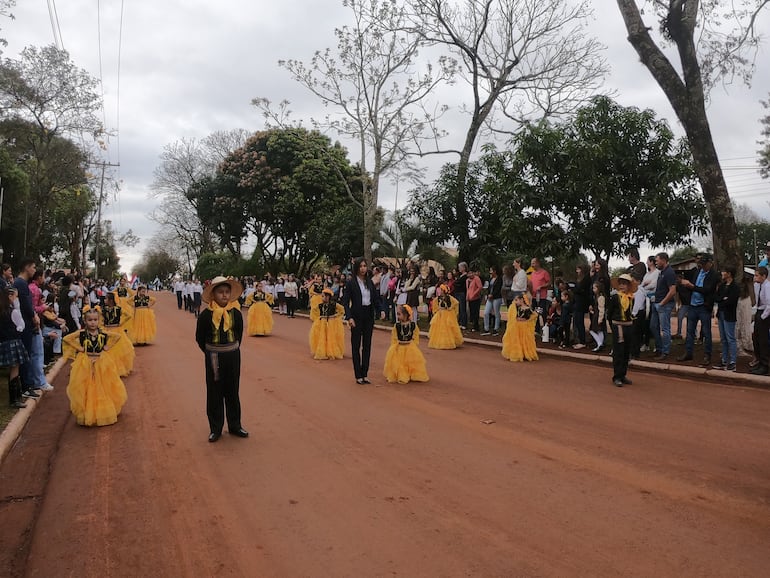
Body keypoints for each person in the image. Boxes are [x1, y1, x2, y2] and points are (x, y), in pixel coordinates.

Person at [195, 276, 248, 442]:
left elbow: (239, 335)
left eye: (227, 292)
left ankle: (235, 425)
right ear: (213, 295)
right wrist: (212, 351)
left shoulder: (236, 314)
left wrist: (231, 348)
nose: (224, 295)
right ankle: (216, 428)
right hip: (213, 356)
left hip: (232, 355)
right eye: (220, 292)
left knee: (233, 391)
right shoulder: (205, 315)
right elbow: (200, 338)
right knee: (214, 392)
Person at [62, 308, 128, 426]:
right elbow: (67, 339)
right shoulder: (82, 333)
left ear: (99, 321)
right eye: (90, 320)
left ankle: (102, 411)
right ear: (85, 321)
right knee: (87, 385)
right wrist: (80, 348)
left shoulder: (102, 333)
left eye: (95, 320)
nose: (93, 322)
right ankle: (88, 412)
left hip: (101, 361)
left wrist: (107, 347)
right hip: (86, 362)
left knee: (102, 385)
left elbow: (117, 336)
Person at [342, 258, 384, 385]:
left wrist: (381, 310)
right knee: (356, 346)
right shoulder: (351, 283)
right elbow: (345, 302)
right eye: (360, 266)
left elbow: (375, 299)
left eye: (365, 266)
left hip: (368, 316)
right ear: (357, 268)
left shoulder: (370, 283)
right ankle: (358, 375)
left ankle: (365, 373)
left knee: (367, 345)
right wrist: (349, 317)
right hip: (356, 316)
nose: (363, 268)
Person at [677, 254, 718, 365]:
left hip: (704, 306)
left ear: (710, 263)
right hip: (693, 305)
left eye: (704, 264)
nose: (703, 266)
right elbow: (694, 286)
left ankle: (707, 355)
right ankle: (688, 353)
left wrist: (691, 286)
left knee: (706, 332)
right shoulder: (698, 272)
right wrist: (686, 285)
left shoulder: (714, 275)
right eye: (701, 264)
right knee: (690, 331)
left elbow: (708, 290)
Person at [383, 304, 429, 384]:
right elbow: (394, 337)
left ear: (406, 315)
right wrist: (395, 346)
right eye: (397, 314)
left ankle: (411, 374)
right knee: (401, 364)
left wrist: (413, 345)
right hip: (400, 346)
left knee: (410, 363)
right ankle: (402, 375)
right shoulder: (397, 326)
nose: (398, 316)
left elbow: (415, 335)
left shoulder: (413, 325)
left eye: (399, 314)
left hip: (409, 347)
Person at [1, 287, 30, 408]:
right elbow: (21, 326)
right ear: (10, 297)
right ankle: (15, 399)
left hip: (3, 341)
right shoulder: (13, 311)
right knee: (15, 369)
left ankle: (15, 398)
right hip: (13, 342)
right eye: (15, 296)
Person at [607, 274, 636, 387]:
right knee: (618, 351)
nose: (622, 286)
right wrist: (613, 325)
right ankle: (617, 376)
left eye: (625, 284)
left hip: (628, 325)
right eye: (621, 283)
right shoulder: (615, 297)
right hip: (618, 326)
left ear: (629, 285)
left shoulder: (631, 297)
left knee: (626, 351)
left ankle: (623, 374)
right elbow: (609, 313)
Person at [100, 292, 135, 376]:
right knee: (108, 350)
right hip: (107, 330)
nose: (104, 300)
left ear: (111, 300)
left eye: (106, 299)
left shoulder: (118, 309)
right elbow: (100, 319)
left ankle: (117, 369)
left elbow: (128, 315)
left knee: (117, 350)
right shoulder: (103, 309)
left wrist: (121, 323)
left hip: (116, 330)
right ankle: (109, 368)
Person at [651, 252, 678, 361]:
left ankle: (665, 352)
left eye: (657, 260)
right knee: (653, 326)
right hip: (657, 303)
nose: (656, 262)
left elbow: (672, 291)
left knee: (665, 329)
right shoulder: (662, 272)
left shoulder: (669, 273)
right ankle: (659, 348)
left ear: (663, 260)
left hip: (664, 304)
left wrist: (662, 302)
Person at [713, 267, 739, 371]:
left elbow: (731, 301)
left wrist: (723, 300)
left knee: (730, 338)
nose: (722, 273)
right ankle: (724, 360)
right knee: (723, 339)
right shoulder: (722, 286)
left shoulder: (735, 287)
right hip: (721, 313)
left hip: (729, 315)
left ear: (729, 274)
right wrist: (723, 299)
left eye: (724, 272)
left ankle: (732, 361)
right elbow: (717, 297)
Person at [309, 288, 346, 360]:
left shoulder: (334, 304)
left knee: (330, 336)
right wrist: (318, 317)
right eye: (322, 296)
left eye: (323, 296)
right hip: (322, 322)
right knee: (322, 336)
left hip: (331, 322)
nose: (322, 298)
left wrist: (335, 316)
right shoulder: (320, 305)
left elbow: (342, 310)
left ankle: (331, 351)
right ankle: (323, 351)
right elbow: (314, 311)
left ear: (328, 297)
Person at [501, 293, 538, 362]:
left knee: (524, 340)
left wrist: (528, 320)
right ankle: (519, 353)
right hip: (517, 327)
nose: (515, 302)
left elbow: (534, 315)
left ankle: (525, 353)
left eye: (516, 300)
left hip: (524, 327)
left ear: (521, 300)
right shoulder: (517, 308)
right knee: (518, 340)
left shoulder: (528, 309)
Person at [428, 284, 463, 350]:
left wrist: (450, 308)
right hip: (440, 315)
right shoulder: (438, 298)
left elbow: (456, 302)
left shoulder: (449, 297)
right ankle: (440, 342)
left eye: (441, 290)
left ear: (444, 290)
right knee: (440, 328)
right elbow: (434, 303)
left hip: (447, 315)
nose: (440, 291)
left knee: (447, 328)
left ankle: (449, 342)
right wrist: (436, 310)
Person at [750, 267, 770, 376]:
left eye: (757, 275)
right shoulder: (757, 285)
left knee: (763, 340)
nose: (755, 277)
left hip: (765, 314)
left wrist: (762, 317)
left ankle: (765, 365)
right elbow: (757, 302)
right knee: (755, 338)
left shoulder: (767, 286)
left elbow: (769, 305)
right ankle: (759, 362)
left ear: (763, 276)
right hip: (759, 311)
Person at [481, 265, 503, 336]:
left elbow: (498, 289)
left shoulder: (499, 279)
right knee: (486, 312)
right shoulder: (490, 279)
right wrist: (488, 295)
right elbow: (488, 288)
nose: (490, 272)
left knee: (496, 313)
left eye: (491, 270)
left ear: (495, 271)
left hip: (497, 298)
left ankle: (496, 329)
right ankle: (486, 329)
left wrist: (492, 294)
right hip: (489, 298)